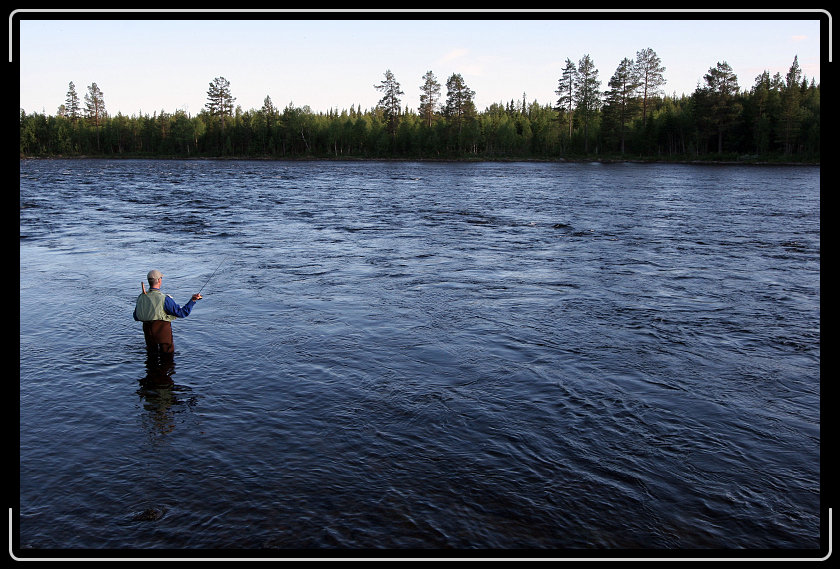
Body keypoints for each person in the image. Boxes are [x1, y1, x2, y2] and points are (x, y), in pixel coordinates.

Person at [134, 269, 202, 356]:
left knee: (151, 357)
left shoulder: (141, 297)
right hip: (163, 332)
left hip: (148, 332)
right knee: (167, 358)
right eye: (161, 278)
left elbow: (136, 316)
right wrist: (192, 300)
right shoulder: (165, 299)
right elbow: (182, 313)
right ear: (159, 280)